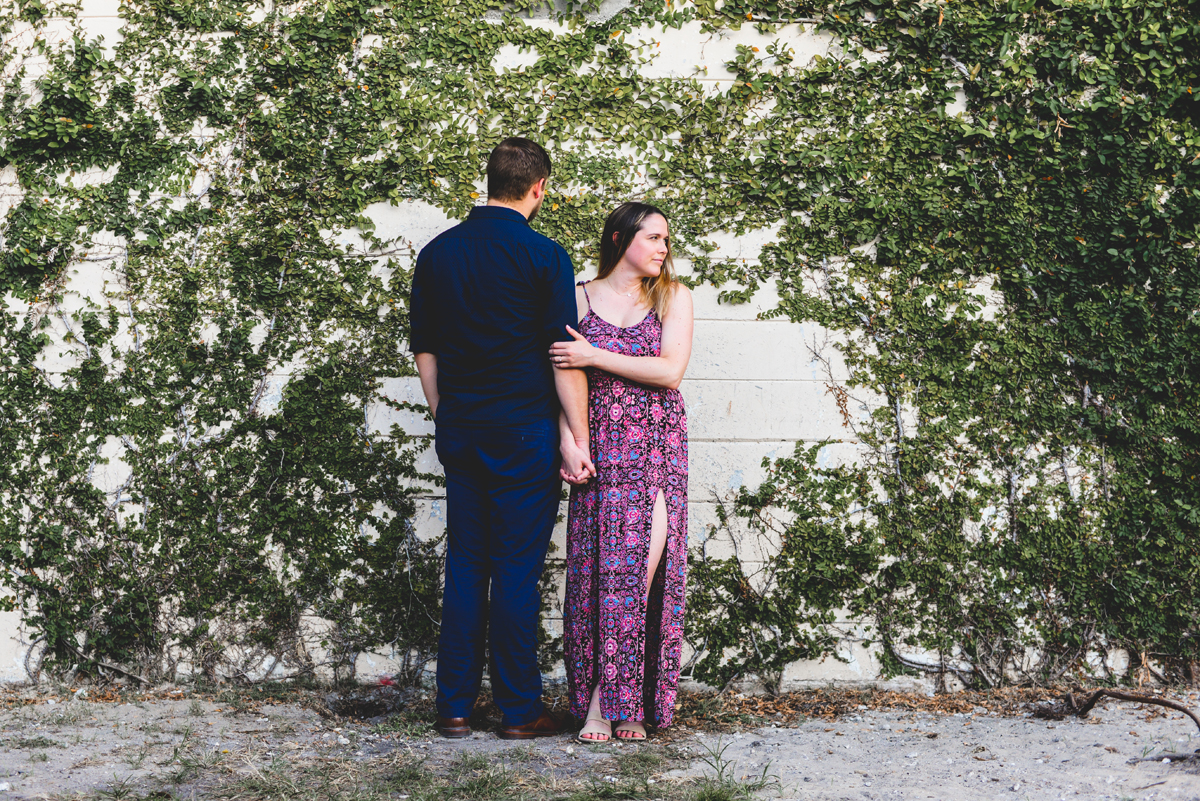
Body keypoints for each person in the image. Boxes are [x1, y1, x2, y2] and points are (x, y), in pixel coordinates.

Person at [410, 137, 595, 741]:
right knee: (515, 569)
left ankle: (454, 708)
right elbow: (564, 356)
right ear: (538, 188)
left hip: (462, 429)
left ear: (487, 181)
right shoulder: (546, 256)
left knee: (466, 563)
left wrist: (446, 413)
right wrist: (578, 436)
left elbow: (426, 349)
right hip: (523, 431)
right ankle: (519, 711)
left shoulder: (437, 253)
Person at [549, 202, 693, 742]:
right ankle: (615, 699)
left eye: (666, 239)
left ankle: (607, 707)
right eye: (653, 237)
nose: (663, 248)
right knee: (597, 581)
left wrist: (595, 356)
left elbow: (669, 372)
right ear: (619, 238)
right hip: (599, 448)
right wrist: (567, 441)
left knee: (641, 575)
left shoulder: (674, 297)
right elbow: (555, 378)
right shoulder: (578, 295)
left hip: (656, 450)